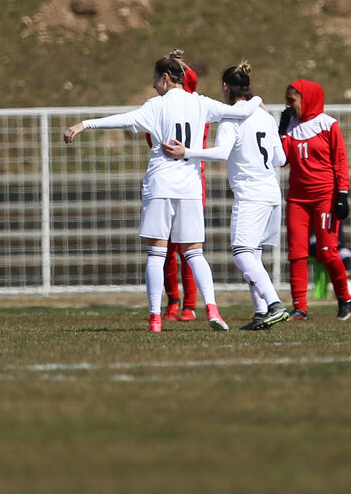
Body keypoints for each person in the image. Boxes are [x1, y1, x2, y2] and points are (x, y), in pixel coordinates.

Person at [64, 50, 263, 333]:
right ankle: (213, 310)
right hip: (191, 187)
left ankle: (155, 319)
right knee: (195, 253)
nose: (154, 84)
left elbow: (122, 119)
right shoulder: (201, 103)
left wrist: (84, 124)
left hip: (160, 185)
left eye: (156, 79)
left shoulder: (155, 106)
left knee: (156, 254)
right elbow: (242, 111)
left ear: (166, 78)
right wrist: (257, 98)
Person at [163, 60, 290, 330]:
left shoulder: (232, 118)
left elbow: (221, 153)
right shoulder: (266, 117)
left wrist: (187, 152)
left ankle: (275, 305)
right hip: (271, 194)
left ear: (225, 87)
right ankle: (261, 313)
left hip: (251, 195)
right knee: (253, 256)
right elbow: (280, 159)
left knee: (242, 254)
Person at [278, 79, 351, 321]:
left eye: (292, 101)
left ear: (307, 99)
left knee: (327, 252)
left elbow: (340, 161)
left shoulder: (328, 124)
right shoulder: (290, 125)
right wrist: (281, 132)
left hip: (325, 196)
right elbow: (282, 160)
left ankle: (345, 299)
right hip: (297, 198)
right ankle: (300, 307)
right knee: (296, 252)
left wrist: (342, 194)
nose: (288, 106)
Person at [150, 65, 205, 323]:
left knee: (188, 246)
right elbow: (152, 140)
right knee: (166, 246)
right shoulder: (163, 107)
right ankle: (173, 300)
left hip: (192, 181)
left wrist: (177, 64)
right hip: (167, 179)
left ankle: (190, 304)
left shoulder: (197, 106)